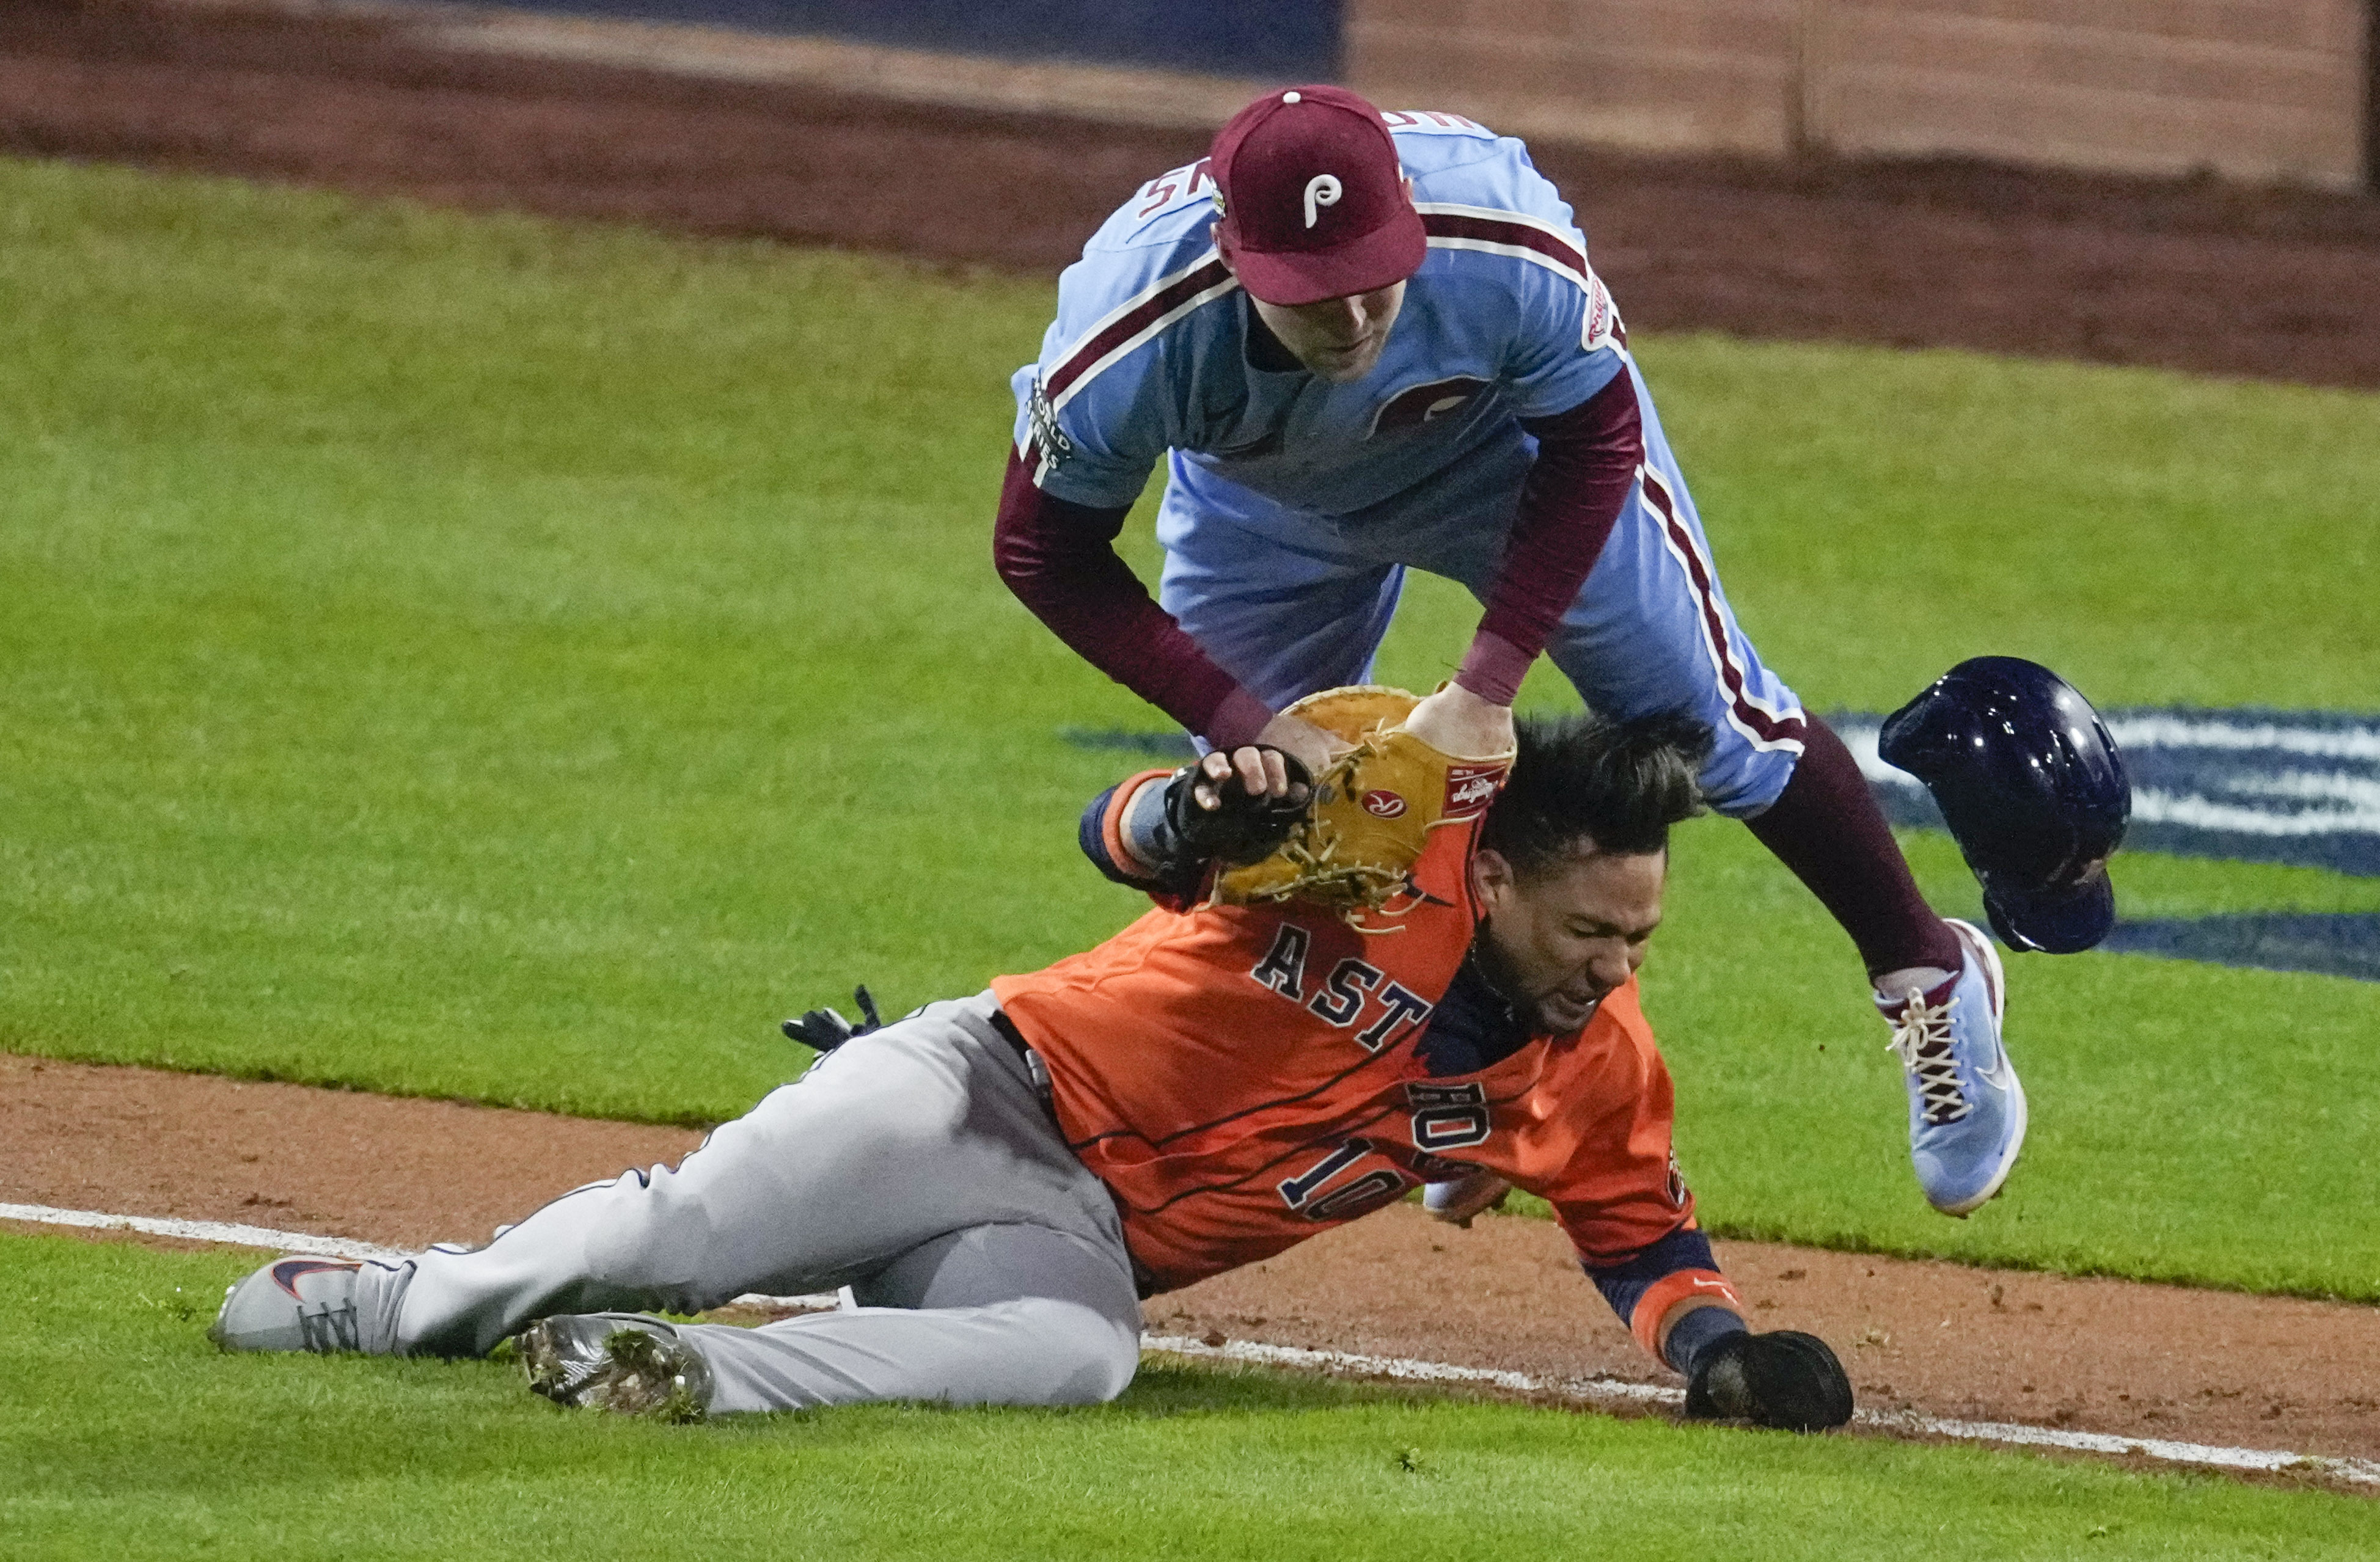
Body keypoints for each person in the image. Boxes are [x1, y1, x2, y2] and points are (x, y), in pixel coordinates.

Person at [209, 709, 1853, 1432]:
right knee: (680, 1227)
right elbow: (1121, 833)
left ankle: (697, 1373)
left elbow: (1637, 1227)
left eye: (1640, 934)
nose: (1617, 965)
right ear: (1497, 876)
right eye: (1592, 927)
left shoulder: (1595, 1060)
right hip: (979, 1087)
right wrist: (1204, 815)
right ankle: (392, 1295)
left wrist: (1717, 1350)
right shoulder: (1380, 848)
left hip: (1077, 1233)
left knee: (1080, 1357)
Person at [992, 84, 2021, 1217]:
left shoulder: (1503, 235)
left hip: (1505, 466)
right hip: (1261, 507)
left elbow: (1595, 437)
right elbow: (1044, 553)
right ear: (1236, 259)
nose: (1351, 320)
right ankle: (1480, 1074)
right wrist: (1250, 723)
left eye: (1375, 274)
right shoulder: (1129, 332)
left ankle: (1930, 970)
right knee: (1285, 827)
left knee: (1710, 724)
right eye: (1311, 296)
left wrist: (1489, 682)